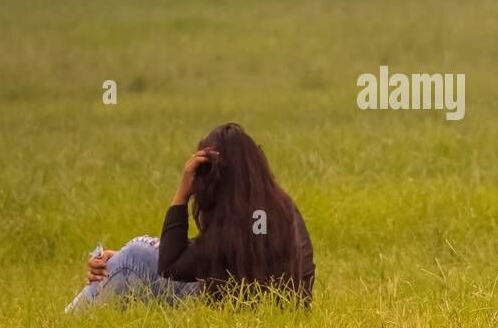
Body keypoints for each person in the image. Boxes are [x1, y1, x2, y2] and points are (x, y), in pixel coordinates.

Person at [65, 123, 315, 311]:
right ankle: (115, 269)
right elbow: (200, 256)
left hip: (229, 316)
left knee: (136, 255)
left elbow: (171, 267)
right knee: (130, 257)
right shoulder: (283, 209)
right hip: (266, 315)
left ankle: (69, 324)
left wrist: (181, 195)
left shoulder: (231, 234)